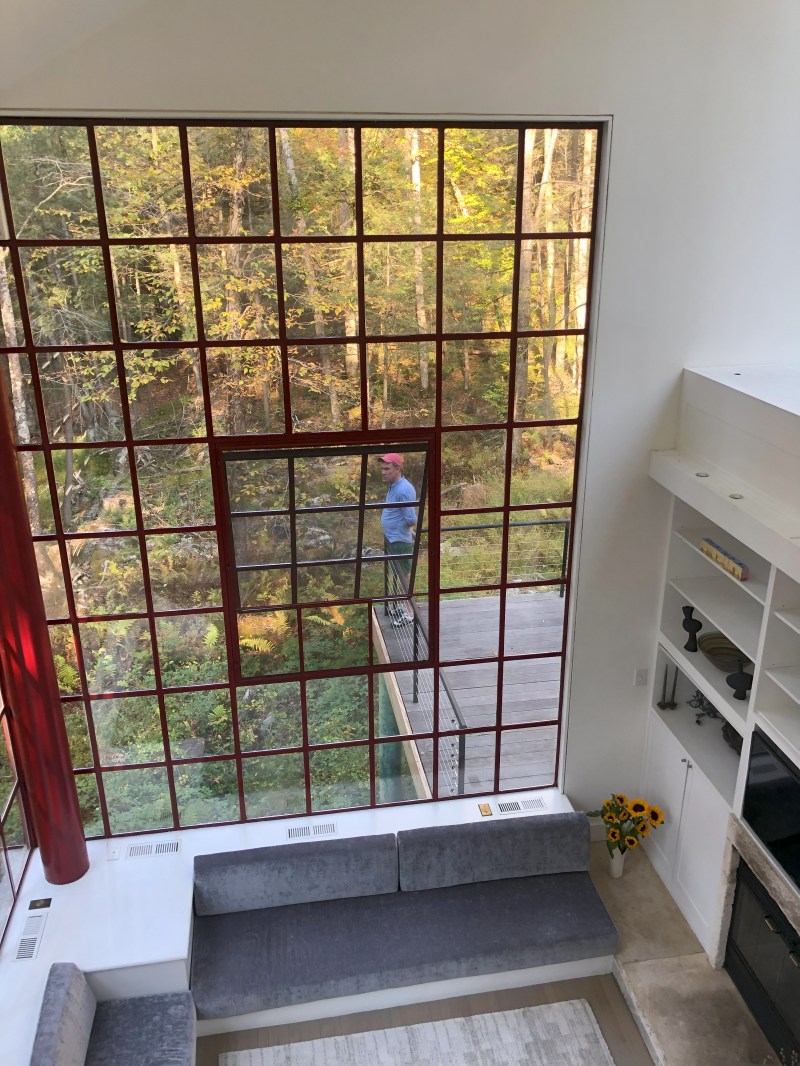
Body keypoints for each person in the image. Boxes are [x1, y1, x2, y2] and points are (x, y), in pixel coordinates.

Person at [377, 452, 416, 627]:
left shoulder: (403, 489)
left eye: (387, 469)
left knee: (404, 575)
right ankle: (405, 604)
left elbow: (410, 518)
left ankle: (409, 612)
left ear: (398, 469)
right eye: (382, 469)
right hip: (394, 539)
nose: (383, 472)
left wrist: (409, 530)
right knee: (400, 575)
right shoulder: (394, 486)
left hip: (399, 540)